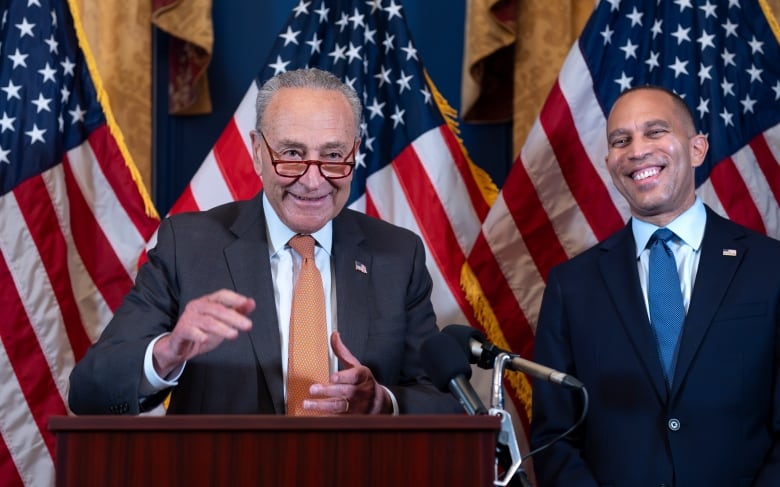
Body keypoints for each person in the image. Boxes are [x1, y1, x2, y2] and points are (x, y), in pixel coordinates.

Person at [68, 68, 461, 416]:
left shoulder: (397, 254)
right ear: (257, 153)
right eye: (291, 154)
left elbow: (446, 403)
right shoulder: (186, 247)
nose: (312, 180)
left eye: (333, 155)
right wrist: (168, 351)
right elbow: (89, 391)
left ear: (355, 152)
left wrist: (383, 403)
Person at [529, 86, 780, 486]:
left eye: (655, 131)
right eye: (620, 140)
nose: (637, 150)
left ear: (697, 149)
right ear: (610, 163)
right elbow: (554, 437)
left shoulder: (771, 268)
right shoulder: (570, 286)